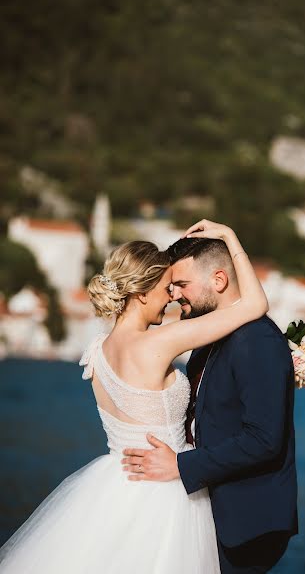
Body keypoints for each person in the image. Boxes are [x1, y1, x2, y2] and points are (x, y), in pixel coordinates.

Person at [0, 220, 268, 574]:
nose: (172, 296)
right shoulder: (159, 342)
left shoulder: (96, 352)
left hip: (113, 486)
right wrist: (230, 238)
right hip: (165, 492)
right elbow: (254, 305)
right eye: (165, 287)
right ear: (142, 293)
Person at [122, 219, 298, 573]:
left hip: (246, 519)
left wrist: (180, 465)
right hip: (203, 510)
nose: (174, 295)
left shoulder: (258, 340)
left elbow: (264, 439)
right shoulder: (204, 339)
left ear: (218, 280)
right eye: (170, 287)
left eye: (181, 284)